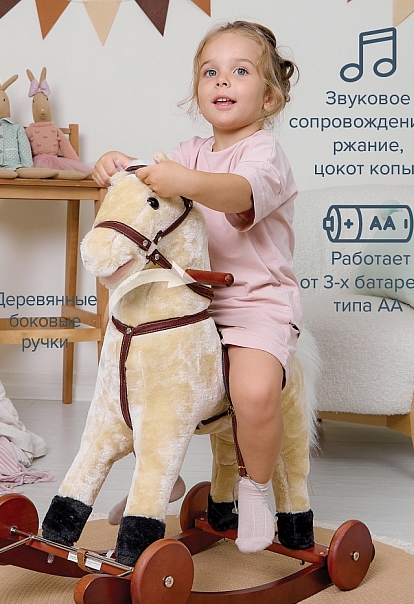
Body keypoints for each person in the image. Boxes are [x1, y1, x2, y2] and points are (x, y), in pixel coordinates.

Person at [93, 20, 301, 555]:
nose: (222, 81)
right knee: (141, 380)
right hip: (192, 302)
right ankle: (159, 480)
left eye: (240, 71)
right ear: (198, 90)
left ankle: (254, 490)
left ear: (269, 97)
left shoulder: (264, 154)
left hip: (254, 304)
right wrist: (119, 167)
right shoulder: (188, 152)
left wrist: (182, 180)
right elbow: (153, 192)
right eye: (210, 72)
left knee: (254, 393)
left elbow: (235, 194)